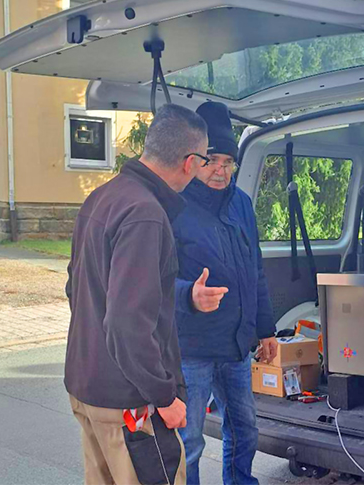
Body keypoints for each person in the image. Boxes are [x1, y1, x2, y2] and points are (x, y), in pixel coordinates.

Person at [65, 104, 227, 485]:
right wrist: (165, 398)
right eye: (205, 160)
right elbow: (126, 324)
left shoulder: (101, 198)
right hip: (132, 404)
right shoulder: (146, 215)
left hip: (88, 390)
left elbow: (76, 288)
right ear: (190, 162)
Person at [172, 102, 278, 485]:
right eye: (212, 160)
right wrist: (189, 295)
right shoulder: (173, 206)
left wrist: (266, 330)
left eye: (228, 162)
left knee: (246, 430)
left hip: (236, 346)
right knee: (190, 441)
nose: (220, 170)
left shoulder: (242, 205)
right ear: (194, 160)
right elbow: (151, 281)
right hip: (192, 350)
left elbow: (256, 271)